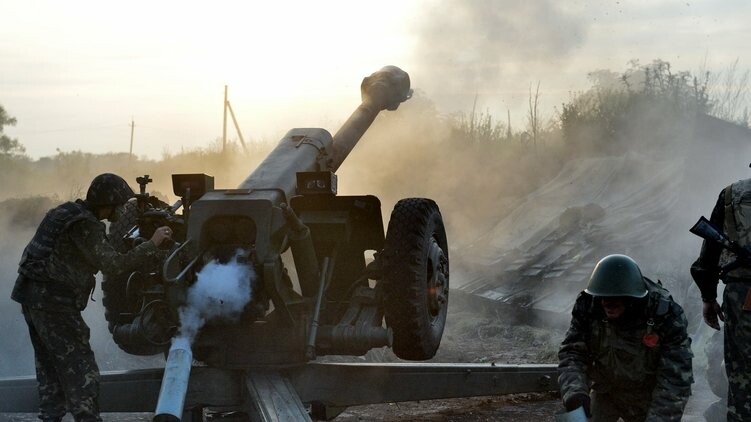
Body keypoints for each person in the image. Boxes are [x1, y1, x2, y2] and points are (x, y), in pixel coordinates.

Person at [10, 173, 173, 422]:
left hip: (31, 298)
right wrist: (152, 243)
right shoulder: (86, 224)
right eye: (120, 204)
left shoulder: (64, 212)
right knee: (82, 370)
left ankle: (51, 416)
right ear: (108, 203)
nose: (123, 210)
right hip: (54, 304)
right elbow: (113, 265)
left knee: (49, 368)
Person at [558, 254, 693, 421]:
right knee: (574, 416)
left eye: (615, 301)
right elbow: (572, 352)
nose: (607, 305)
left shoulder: (664, 315)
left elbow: (675, 379)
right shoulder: (589, 304)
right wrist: (574, 392)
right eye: (604, 299)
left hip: (647, 396)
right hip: (604, 390)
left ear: (631, 300)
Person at [691, 179, 751, 421]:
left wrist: (709, 297)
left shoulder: (730, 194)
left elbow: (709, 254)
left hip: (741, 294)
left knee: (742, 377)